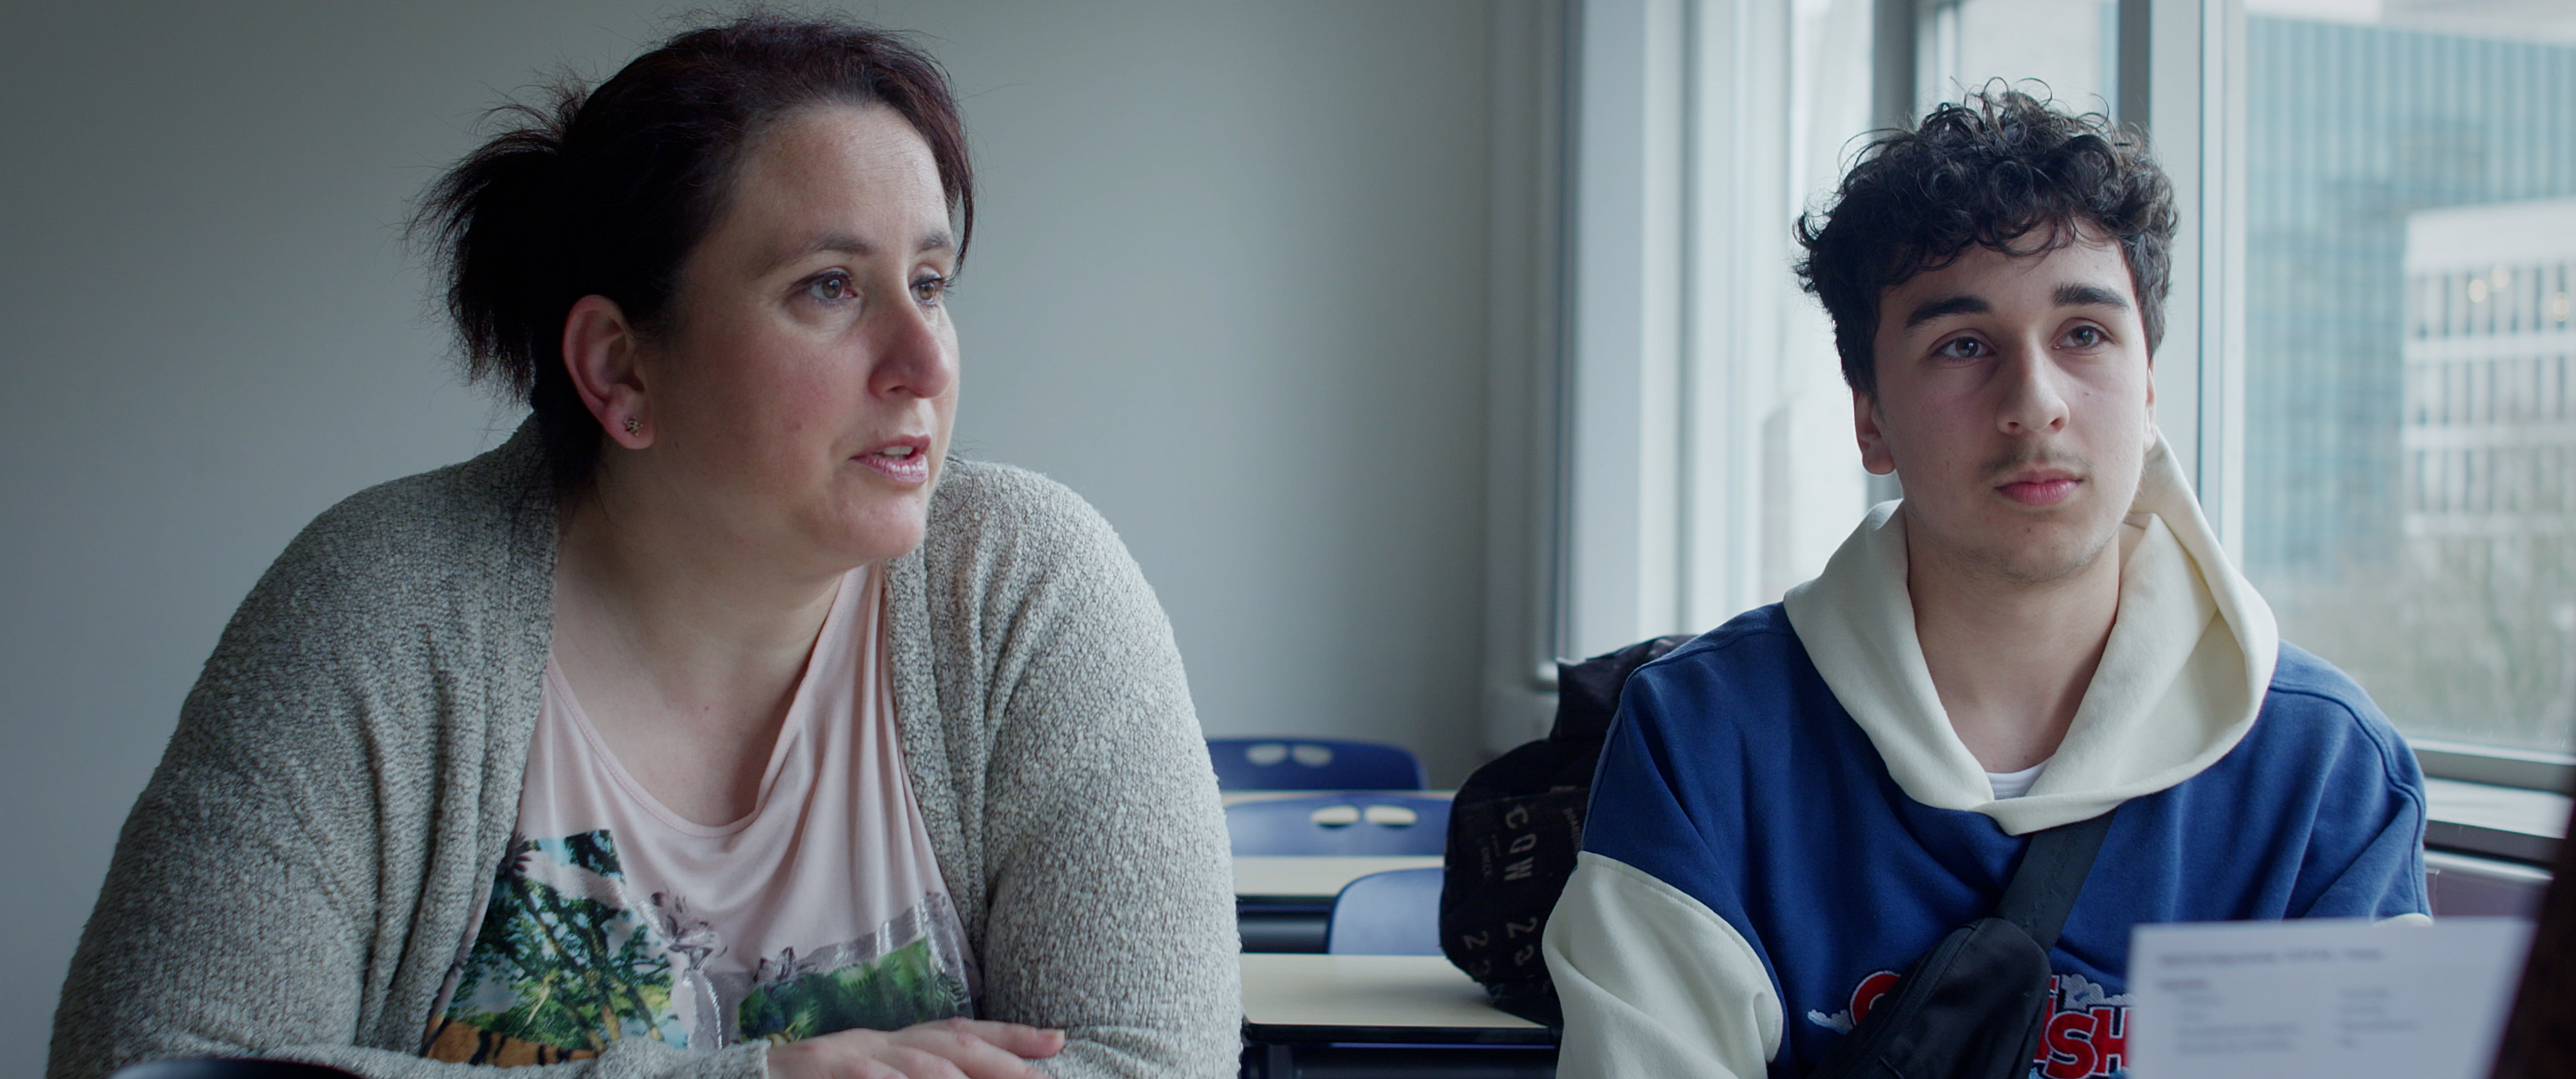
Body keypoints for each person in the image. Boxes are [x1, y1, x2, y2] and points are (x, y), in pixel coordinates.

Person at [48, 16, 1238, 1079]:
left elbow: (1157, 1061)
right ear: (621, 369)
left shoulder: (1025, 589)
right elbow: (155, 1063)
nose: (925, 363)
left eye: (929, 282)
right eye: (830, 287)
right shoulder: (377, 610)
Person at [1541, 90, 2429, 1079]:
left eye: (2084, 334)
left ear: (2147, 389)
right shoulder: (1706, 739)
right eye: (1963, 345)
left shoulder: (2322, 772)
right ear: (1871, 418)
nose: (2034, 404)